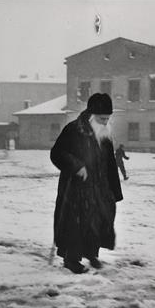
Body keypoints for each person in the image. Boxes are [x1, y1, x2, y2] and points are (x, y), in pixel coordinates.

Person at [50, 93, 123, 274]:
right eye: (102, 118)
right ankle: (71, 260)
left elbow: (110, 163)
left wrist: (113, 189)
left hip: (99, 187)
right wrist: (76, 166)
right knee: (76, 223)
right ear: (91, 116)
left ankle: (91, 254)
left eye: (108, 118)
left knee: (97, 221)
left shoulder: (104, 134)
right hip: (77, 188)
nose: (106, 122)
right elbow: (57, 153)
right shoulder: (74, 129)